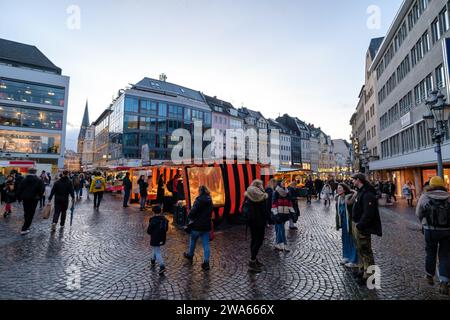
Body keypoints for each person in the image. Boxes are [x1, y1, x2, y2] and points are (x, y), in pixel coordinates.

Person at [415, 176, 450, 295]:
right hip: (447, 231)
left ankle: (429, 276)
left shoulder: (425, 196)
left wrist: (423, 223)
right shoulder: (448, 196)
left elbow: (418, 213)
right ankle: (444, 282)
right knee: (445, 255)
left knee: (430, 252)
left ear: (431, 185)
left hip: (430, 230)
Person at [351, 173, 383, 285]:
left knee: (366, 251)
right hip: (358, 225)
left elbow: (369, 213)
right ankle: (363, 270)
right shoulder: (361, 192)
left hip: (363, 227)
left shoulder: (368, 193)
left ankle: (370, 276)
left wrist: (360, 225)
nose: (352, 182)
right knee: (360, 250)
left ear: (359, 180)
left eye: (354, 180)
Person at [183, 185, 214, 271]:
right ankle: (206, 263)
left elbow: (193, 211)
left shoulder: (198, 200)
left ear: (200, 191)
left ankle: (190, 254)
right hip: (206, 226)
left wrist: (190, 217)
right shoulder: (210, 199)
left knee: (193, 240)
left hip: (197, 225)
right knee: (206, 244)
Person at [244, 180, 268, 273]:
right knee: (259, 240)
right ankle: (252, 260)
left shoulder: (248, 194)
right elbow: (264, 210)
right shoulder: (262, 196)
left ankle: (254, 259)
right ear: (259, 186)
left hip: (251, 221)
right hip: (260, 221)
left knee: (254, 240)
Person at [336, 183, 358, 268]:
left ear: (344, 189)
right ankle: (346, 256)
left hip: (350, 221)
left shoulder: (348, 197)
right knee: (345, 239)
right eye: (338, 188)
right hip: (343, 222)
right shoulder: (338, 198)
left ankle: (354, 260)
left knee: (352, 239)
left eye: (340, 188)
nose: (338, 190)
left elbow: (351, 204)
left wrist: (354, 193)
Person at [17, 168, 45, 235]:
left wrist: (19, 198)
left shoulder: (24, 180)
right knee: (31, 213)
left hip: (25, 198)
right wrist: (39, 196)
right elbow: (42, 190)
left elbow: (19, 189)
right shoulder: (39, 180)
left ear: (28, 172)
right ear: (35, 172)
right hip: (34, 199)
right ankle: (24, 228)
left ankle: (27, 226)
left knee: (26, 212)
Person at [271, 181, 294, 252]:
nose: (284, 183)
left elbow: (289, 203)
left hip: (285, 214)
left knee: (279, 230)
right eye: (282, 182)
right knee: (282, 230)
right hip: (278, 214)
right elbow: (273, 204)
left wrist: (292, 212)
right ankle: (285, 245)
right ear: (279, 184)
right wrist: (276, 214)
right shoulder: (276, 192)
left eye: (284, 183)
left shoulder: (287, 192)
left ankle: (277, 244)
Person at [147, 205, 169, 276]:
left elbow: (149, 231)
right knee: (155, 248)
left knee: (157, 251)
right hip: (162, 237)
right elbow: (166, 229)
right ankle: (153, 260)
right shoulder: (164, 219)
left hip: (155, 237)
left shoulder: (153, 220)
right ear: (160, 211)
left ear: (153, 212)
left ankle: (162, 266)